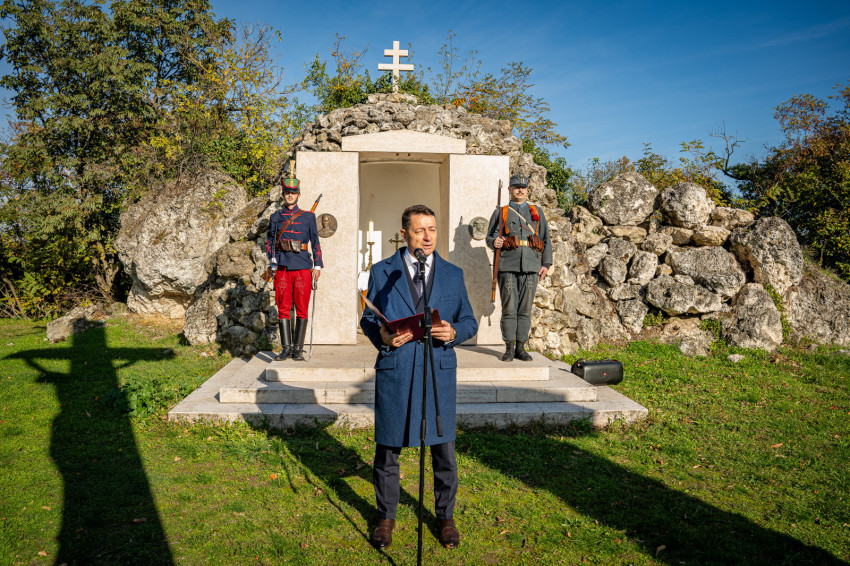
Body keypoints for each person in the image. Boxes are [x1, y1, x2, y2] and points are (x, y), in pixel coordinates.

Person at [360, 204, 478, 550]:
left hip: (437, 370)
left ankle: (445, 517)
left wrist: (454, 332)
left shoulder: (452, 274)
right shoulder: (382, 271)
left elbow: (469, 321)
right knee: (388, 448)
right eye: (419, 231)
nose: (427, 238)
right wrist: (383, 338)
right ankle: (386, 518)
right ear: (404, 234)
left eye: (432, 230)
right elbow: (369, 319)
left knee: (443, 451)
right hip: (397, 368)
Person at [485, 174, 552, 362]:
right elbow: (490, 237)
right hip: (507, 265)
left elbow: (545, 238)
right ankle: (509, 348)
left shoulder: (536, 211)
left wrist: (546, 263)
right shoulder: (501, 212)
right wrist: (494, 242)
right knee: (509, 309)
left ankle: (521, 348)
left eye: (523, 187)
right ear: (510, 190)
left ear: (527, 190)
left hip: (531, 266)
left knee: (525, 309)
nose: (520, 190)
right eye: (516, 187)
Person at [266, 175, 322, 361]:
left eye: (293, 193)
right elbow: (270, 241)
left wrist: (317, 265)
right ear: (283, 195)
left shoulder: (308, 217)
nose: (290, 195)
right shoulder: (275, 217)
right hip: (282, 266)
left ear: (299, 195)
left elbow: (315, 242)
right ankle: (286, 349)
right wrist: (272, 260)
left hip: (302, 267)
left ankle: (298, 349)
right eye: (287, 193)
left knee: (302, 308)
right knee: (283, 308)